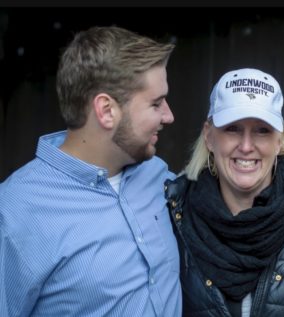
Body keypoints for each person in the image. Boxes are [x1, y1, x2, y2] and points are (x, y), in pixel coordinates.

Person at [0, 26, 181, 316]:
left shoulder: (158, 176)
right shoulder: (13, 214)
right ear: (107, 110)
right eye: (156, 103)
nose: (169, 116)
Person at [165, 68, 284, 317]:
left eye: (262, 130)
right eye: (232, 128)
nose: (246, 146)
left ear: (279, 140)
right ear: (209, 136)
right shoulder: (173, 212)